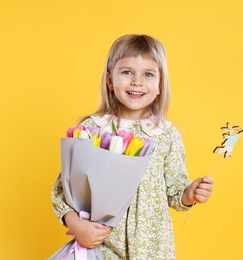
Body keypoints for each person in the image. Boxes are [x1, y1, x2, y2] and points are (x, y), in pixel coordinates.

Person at [52, 34, 214, 259]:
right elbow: (64, 190)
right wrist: (78, 226)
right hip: (102, 245)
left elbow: (176, 193)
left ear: (159, 84)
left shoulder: (167, 135)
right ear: (110, 80)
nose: (137, 81)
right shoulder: (92, 129)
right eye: (127, 72)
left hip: (153, 249)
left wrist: (190, 193)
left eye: (148, 74)